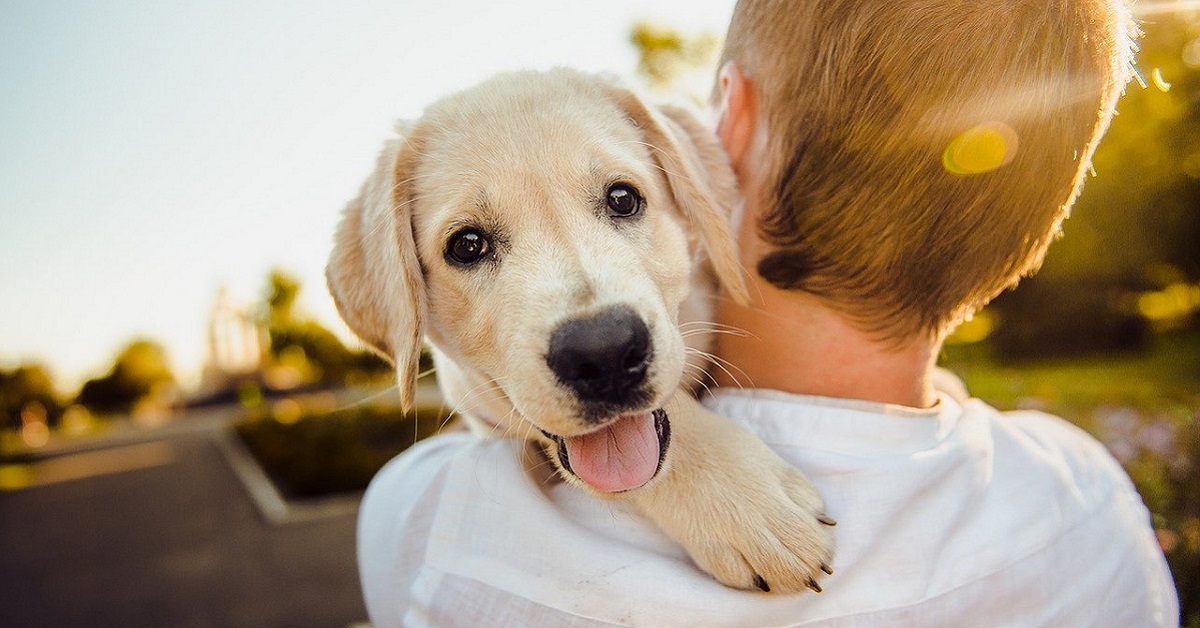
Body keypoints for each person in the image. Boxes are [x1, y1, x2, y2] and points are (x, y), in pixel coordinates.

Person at [357, 0, 1180, 625]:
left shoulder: (434, 531)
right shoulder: (1093, 509)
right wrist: (682, 459)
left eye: (620, 199)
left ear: (726, 133)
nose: (595, 324)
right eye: (470, 246)